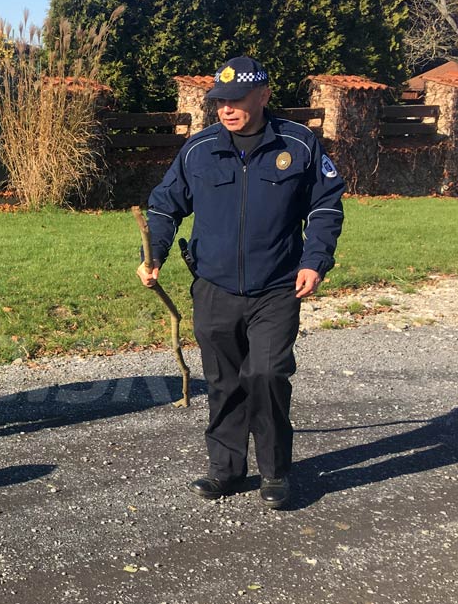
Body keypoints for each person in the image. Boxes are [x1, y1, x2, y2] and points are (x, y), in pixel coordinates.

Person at [137, 56, 345, 508]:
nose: (226, 109)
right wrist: (152, 256)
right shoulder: (198, 150)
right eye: (219, 101)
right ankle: (226, 469)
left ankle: (275, 471)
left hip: (277, 286)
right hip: (214, 286)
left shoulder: (299, 144)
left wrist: (315, 261)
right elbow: (164, 206)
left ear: (263, 96)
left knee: (266, 374)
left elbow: (326, 207)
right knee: (224, 381)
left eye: (236, 100)